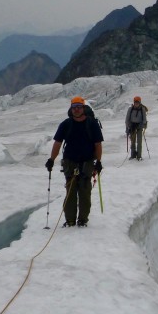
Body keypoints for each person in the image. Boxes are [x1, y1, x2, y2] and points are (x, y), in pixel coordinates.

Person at [45, 96, 103, 227]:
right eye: (74, 107)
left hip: (86, 163)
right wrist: (51, 159)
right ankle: (70, 220)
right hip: (70, 163)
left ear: (83, 108)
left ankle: (82, 219)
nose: (76, 110)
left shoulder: (92, 124)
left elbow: (98, 144)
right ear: (71, 109)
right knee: (70, 193)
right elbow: (57, 143)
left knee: (85, 192)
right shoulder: (66, 124)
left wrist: (98, 161)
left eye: (79, 107)